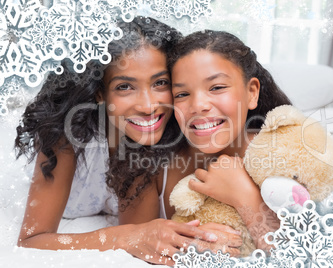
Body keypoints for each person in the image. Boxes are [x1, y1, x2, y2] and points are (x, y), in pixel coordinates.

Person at [14, 18, 241, 266]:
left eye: (160, 83)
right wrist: (123, 237)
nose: (148, 106)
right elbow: (32, 240)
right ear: (100, 92)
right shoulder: (68, 136)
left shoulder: (181, 128)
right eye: (124, 86)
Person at [107, 29, 291, 254]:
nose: (198, 106)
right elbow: (131, 248)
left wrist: (246, 197)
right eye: (182, 94)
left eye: (217, 87)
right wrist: (187, 243)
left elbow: (303, 257)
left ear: (251, 92)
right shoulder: (149, 162)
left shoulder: (283, 154)